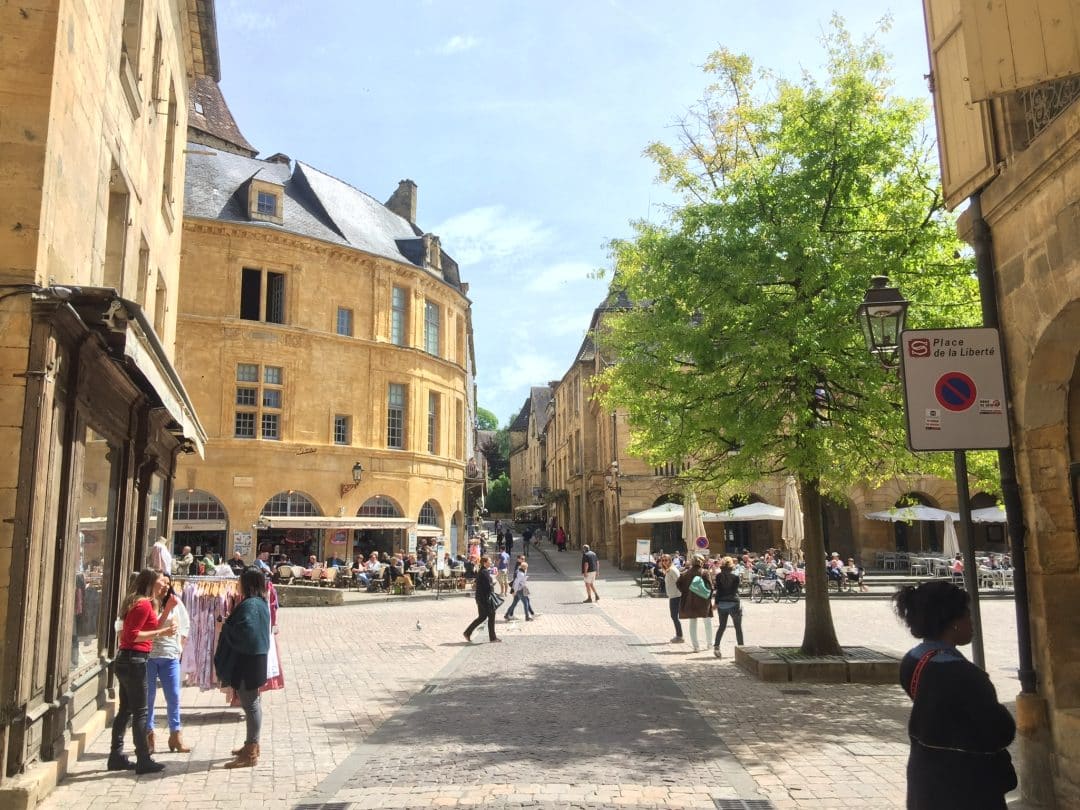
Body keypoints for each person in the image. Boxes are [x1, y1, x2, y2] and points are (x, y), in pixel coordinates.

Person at [893, 580, 1016, 809]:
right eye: (967, 614)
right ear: (954, 623)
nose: (972, 622)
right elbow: (1001, 731)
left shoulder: (911, 661)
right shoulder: (967, 676)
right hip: (966, 784)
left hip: (925, 775)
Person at [109, 568, 177, 773]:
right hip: (134, 661)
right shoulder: (143, 604)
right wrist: (163, 632)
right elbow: (132, 636)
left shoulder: (144, 603)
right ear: (150, 582)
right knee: (140, 712)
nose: (165, 585)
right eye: (160, 581)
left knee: (126, 710)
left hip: (128, 660)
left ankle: (116, 756)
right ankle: (143, 759)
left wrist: (167, 611)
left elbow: (151, 624)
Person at [214, 567, 271, 768]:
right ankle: (251, 744)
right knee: (251, 703)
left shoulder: (251, 605)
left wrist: (225, 626)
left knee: (251, 704)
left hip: (250, 660)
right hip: (254, 659)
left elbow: (245, 632)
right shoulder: (259, 603)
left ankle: (251, 751)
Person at [146, 574, 191, 754]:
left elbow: (185, 624)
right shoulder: (147, 603)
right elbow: (151, 628)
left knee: (173, 696)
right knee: (148, 698)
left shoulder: (175, 602)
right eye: (162, 582)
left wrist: (179, 646)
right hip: (148, 656)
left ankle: (175, 734)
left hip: (170, 656)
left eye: (168, 582)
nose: (166, 585)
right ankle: (149, 735)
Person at [676, 555, 713, 652]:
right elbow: (710, 587)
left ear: (692, 562)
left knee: (693, 623)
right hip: (703, 602)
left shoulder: (685, 573)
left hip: (690, 601)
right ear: (702, 562)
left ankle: (696, 647)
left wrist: (685, 592)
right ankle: (710, 644)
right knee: (707, 623)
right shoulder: (705, 572)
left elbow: (678, 583)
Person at [463, 556, 501, 643]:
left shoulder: (483, 571)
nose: (491, 562)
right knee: (491, 616)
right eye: (489, 561)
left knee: (482, 617)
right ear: (485, 563)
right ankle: (493, 637)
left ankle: (467, 632)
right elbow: (487, 586)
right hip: (485, 599)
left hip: (481, 598)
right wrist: (493, 582)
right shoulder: (484, 572)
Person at [712, 556, 744, 658]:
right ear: (731, 565)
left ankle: (716, 647)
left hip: (722, 604)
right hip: (733, 603)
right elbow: (734, 592)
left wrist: (716, 603)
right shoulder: (735, 577)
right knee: (738, 628)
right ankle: (742, 650)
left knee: (722, 626)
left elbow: (719, 591)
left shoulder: (718, 576)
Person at [661, 555, 683, 644]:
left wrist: (681, 593)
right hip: (673, 596)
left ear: (670, 560)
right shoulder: (668, 570)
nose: (664, 562)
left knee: (674, 616)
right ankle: (679, 635)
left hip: (676, 596)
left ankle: (679, 636)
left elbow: (679, 581)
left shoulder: (673, 570)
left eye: (666, 560)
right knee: (674, 616)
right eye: (663, 560)